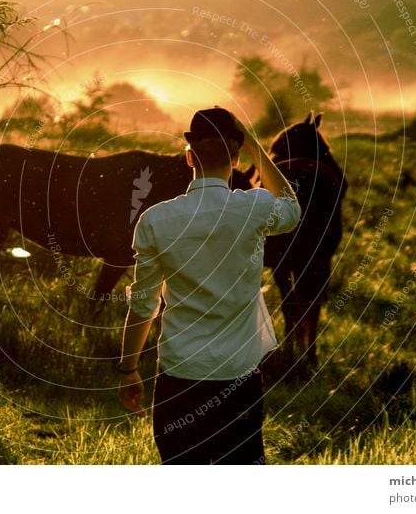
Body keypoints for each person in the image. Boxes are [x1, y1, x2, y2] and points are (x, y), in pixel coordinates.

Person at [116, 106, 301, 464]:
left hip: (179, 376)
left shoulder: (155, 220)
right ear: (235, 158)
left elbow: (143, 305)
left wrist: (128, 369)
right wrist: (257, 151)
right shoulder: (255, 208)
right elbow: (291, 207)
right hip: (238, 378)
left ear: (189, 158)